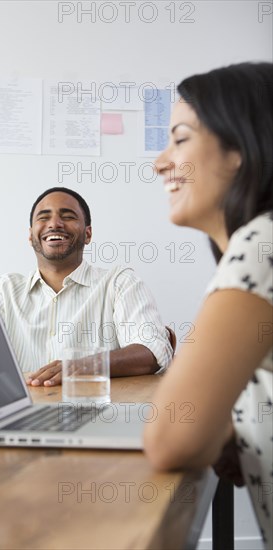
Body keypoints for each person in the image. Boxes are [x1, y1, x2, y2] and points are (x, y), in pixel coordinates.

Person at [144, 62, 272, 548]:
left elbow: (171, 440)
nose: (160, 162)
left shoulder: (262, 245)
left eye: (180, 139)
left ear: (239, 148)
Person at [0, 187, 173, 387]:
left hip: (102, 414)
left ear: (88, 234)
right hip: (23, 416)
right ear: (31, 235)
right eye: (43, 217)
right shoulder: (3, 290)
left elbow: (152, 351)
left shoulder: (120, 283)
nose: (54, 224)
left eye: (68, 216)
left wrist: (80, 367)